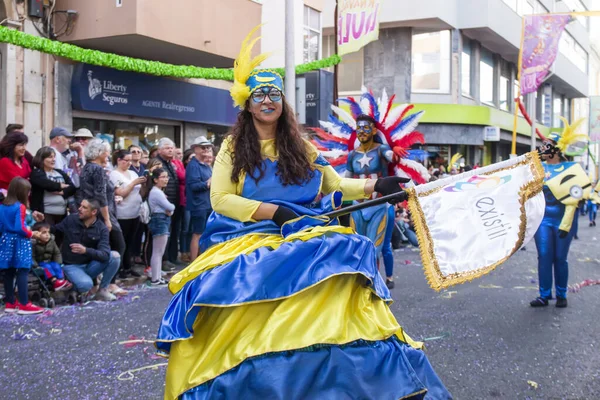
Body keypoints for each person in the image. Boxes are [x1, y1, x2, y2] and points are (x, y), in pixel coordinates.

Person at [155, 29, 450, 400]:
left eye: (274, 93)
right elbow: (220, 199)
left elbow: (334, 184)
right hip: (248, 233)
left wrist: (378, 186)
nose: (267, 100)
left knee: (346, 253)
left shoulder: (301, 145)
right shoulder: (232, 145)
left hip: (303, 230)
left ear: (283, 102)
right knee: (252, 278)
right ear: (247, 104)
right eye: (259, 94)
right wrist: (274, 212)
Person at [312, 87, 429, 290]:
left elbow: (392, 157)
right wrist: (331, 195)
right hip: (358, 206)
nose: (362, 131)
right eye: (359, 128)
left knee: (379, 247)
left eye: (366, 127)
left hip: (380, 205)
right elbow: (345, 181)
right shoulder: (352, 155)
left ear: (374, 130)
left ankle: (381, 279)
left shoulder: (381, 149)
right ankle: (366, 278)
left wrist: (396, 152)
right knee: (360, 244)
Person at [531, 120, 591, 309]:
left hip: (565, 218)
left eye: (547, 145)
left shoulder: (572, 169)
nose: (543, 148)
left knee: (560, 257)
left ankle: (562, 294)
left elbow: (580, 194)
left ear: (557, 149)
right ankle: (544, 295)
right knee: (544, 255)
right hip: (543, 220)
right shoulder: (536, 168)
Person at [77, 139, 127, 295]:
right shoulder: (97, 169)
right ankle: (109, 283)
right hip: (101, 213)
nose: (108, 155)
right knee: (118, 245)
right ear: (99, 153)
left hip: (92, 213)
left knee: (99, 248)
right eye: (107, 152)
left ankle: (98, 283)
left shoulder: (86, 168)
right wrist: (107, 219)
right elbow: (100, 195)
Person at [55, 199, 120, 301]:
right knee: (86, 284)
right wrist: (39, 223)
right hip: (71, 265)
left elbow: (105, 254)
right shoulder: (71, 219)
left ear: (94, 212)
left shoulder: (101, 228)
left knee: (115, 256)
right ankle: (73, 287)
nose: (79, 209)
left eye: (84, 207)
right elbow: (54, 230)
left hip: (90, 265)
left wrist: (86, 250)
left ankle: (102, 290)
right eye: (80, 206)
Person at [0, 178, 45, 314]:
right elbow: (20, 228)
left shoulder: (2, 206)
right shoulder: (20, 206)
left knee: (9, 272)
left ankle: (10, 302)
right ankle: (25, 303)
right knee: (23, 270)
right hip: (20, 242)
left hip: (5, 241)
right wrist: (32, 234)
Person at [110, 150, 146, 278]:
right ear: (119, 160)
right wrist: (134, 183)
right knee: (121, 242)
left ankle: (128, 266)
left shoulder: (132, 173)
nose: (129, 163)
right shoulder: (114, 175)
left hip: (135, 212)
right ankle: (119, 269)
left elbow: (140, 192)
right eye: (126, 160)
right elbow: (121, 193)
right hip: (122, 213)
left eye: (131, 160)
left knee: (131, 241)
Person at [29, 147, 77, 227]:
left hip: (62, 213)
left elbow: (72, 187)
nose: (53, 159)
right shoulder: (37, 173)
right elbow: (47, 184)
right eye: (50, 157)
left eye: (54, 157)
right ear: (41, 159)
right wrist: (60, 185)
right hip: (45, 213)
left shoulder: (60, 172)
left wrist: (61, 192)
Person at [185, 136, 213, 260]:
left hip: (208, 204)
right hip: (199, 205)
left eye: (208, 147)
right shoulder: (193, 165)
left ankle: (202, 260)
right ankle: (194, 261)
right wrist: (208, 183)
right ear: (195, 149)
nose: (206, 149)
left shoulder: (205, 165)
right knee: (198, 233)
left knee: (205, 233)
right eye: (203, 147)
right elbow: (193, 186)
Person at [143, 168, 173, 285]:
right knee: (158, 251)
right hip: (159, 220)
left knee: (159, 251)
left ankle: (157, 276)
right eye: (163, 177)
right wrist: (171, 208)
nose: (166, 180)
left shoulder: (158, 191)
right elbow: (170, 207)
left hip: (161, 220)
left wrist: (170, 209)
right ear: (155, 180)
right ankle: (155, 278)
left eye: (167, 177)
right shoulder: (156, 192)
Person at [156, 138, 181, 269]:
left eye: (171, 147)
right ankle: (163, 260)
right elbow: (153, 181)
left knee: (173, 232)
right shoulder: (157, 163)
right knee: (163, 233)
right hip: (162, 203)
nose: (170, 150)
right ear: (159, 150)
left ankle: (172, 257)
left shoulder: (171, 163)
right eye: (166, 147)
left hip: (173, 201)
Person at [31, 221, 72, 291]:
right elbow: (31, 256)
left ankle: (61, 280)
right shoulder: (33, 244)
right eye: (44, 232)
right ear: (36, 233)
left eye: (48, 232)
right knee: (47, 267)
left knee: (56, 265)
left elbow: (57, 253)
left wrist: (58, 262)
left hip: (49, 261)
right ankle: (54, 281)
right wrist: (35, 265)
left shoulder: (51, 242)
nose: (47, 235)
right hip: (39, 263)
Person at [179, 149, 196, 263]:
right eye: (191, 159)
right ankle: (183, 251)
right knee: (184, 228)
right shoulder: (184, 171)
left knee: (191, 229)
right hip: (185, 202)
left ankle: (190, 251)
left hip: (194, 202)